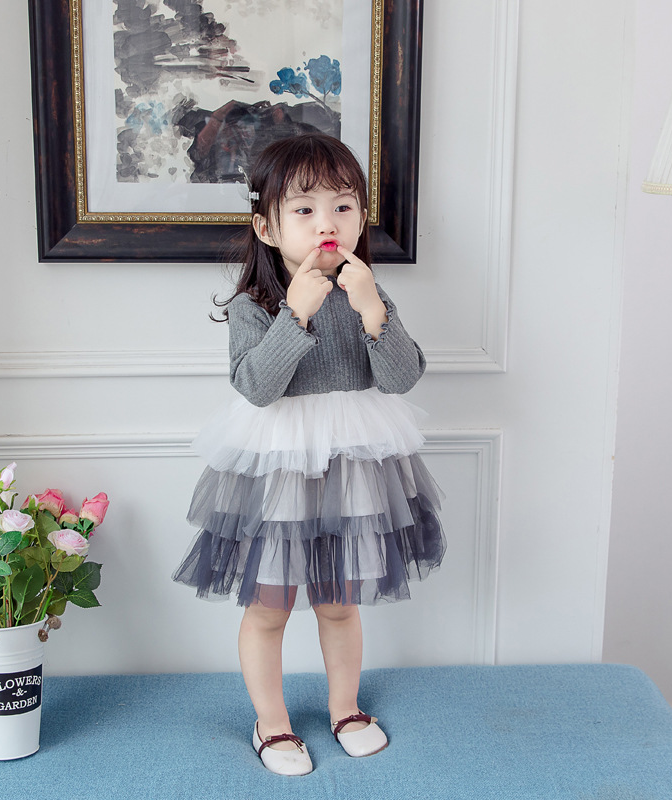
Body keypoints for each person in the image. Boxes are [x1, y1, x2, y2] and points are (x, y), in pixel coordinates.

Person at [172, 133, 446, 776]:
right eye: (305, 209)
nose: (328, 223)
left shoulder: (366, 294)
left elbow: (402, 378)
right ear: (267, 228)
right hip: (279, 469)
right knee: (270, 605)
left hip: (354, 466)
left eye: (343, 207)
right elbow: (257, 387)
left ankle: (346, 709)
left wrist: (372, 308)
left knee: (339, 601)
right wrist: (293, 315)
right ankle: (272, 725)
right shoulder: (253, 306)